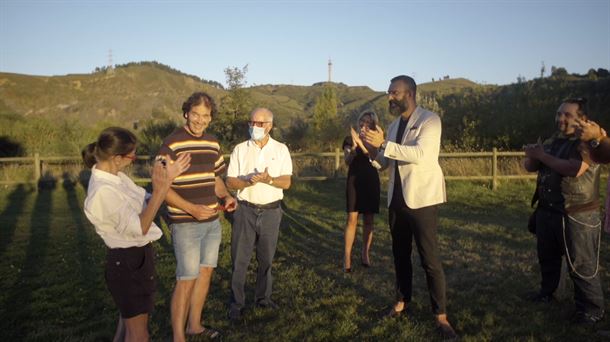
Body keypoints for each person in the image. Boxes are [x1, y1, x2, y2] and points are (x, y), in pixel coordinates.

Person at [363, 75, 457, 339]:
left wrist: (383, 144)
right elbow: (385, 162)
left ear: (410, 93)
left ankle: (441, 316)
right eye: (389, 92)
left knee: (430, 259)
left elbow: (421, 155)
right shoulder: (393, 127)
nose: (390, 97)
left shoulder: (430, 120)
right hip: (396, 200)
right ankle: (402, 301)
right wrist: (372, 150)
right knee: (400, 255)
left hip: (422, 200)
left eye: (394, 92)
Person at [82, 127, 190, 342]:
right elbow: (140, 226)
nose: (133, 160)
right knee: (138, 334)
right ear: (116, 158)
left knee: (126, 328)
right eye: (131, 155)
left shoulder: (118, 178)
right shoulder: (103, 191)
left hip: (137, 257)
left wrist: (163, 181)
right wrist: (163, 187)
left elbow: (147, 200)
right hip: (127, 262)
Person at [158, 92, 237, 341]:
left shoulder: (213, 143)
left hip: (212, 222)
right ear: (186, 113)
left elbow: (216, 179)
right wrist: (191, 209)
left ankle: (195, 325)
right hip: (186, 224)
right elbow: (162, 188)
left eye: (205, 116)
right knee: (186, 279)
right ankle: (178, 337)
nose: (200, 120)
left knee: (205, 273)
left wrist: (226, 197)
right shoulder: (171, 144)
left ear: (210, 118)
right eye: (195, 114)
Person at [523, 98, 604, 324]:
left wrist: (542, 156)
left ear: (583, 119)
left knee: (582, 263)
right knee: (547, 258)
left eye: (567, 115)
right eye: (559, 113)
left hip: (577, 213)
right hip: (548, 210)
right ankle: (548, 294)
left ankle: (592, 310)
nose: (560, 118)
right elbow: (531, 166)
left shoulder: (589, 142)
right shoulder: (553, 140)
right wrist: (531, 155)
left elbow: (574, 169)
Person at [225, 107, 293, 321]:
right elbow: (230, 181)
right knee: (240, 260)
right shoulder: (239, 149)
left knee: (266, 259)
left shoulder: (281, 150)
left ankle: (263, 298)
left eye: (259, 123)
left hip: (271, 211)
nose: (254, 127)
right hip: (245, 210)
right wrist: (247, 181)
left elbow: (286, 181)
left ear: (270, 126)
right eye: (252, 122)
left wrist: (268, 179)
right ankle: (237, 303)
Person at [341, 111, 380, 272]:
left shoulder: (376, 141)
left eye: (369, 122)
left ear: (373, 125)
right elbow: (347, 161)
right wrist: (355, 147)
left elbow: (374, 156)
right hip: (354, 181)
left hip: (371, 180)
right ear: (359, 122)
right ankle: (347, 256)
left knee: (369, 220)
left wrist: (362, 143)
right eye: (363, 121)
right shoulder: (350, 140)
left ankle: (365, 253)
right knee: (352, 218)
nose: (365, 124)